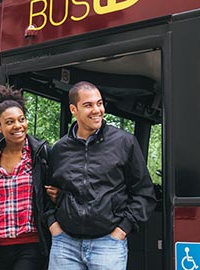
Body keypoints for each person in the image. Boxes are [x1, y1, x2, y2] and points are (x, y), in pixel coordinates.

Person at [45, 81, 157, 270]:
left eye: (99, 103)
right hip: (65, 244)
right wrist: (53, 226)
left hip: (108, 243)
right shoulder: (59, 149)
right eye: (88, 105)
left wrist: (122, 230)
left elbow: (144, 193)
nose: (97, 110)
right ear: (74, 109)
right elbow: (44, 193)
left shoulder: (125, 142)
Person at [0, 85, 52, 270]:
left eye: (21, 119)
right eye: (9, 122)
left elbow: (53, 192)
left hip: (31, 244)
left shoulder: (40, 154)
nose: (18, 126)